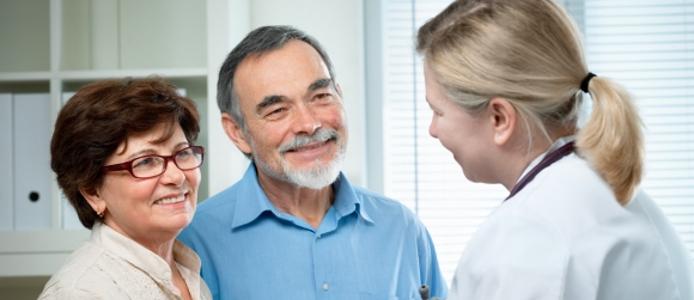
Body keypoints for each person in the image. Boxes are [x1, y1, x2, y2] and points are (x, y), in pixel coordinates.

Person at [416, 0, 694, 299]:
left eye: (438, 111)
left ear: (499, 118)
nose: (433, 130)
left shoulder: (526, 237)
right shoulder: (623, 201)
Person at [178, 25, 446, 299]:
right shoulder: (192, 243)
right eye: (277, 110)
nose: (309, 123)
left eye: (320, 97)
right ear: (237, 132)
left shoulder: (402, 229)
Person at [39, 78, 211, 299]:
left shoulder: (188, 271)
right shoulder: (81, 292)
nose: (176, 176)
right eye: (146, 162)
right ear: (92, 191)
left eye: (183, 153)